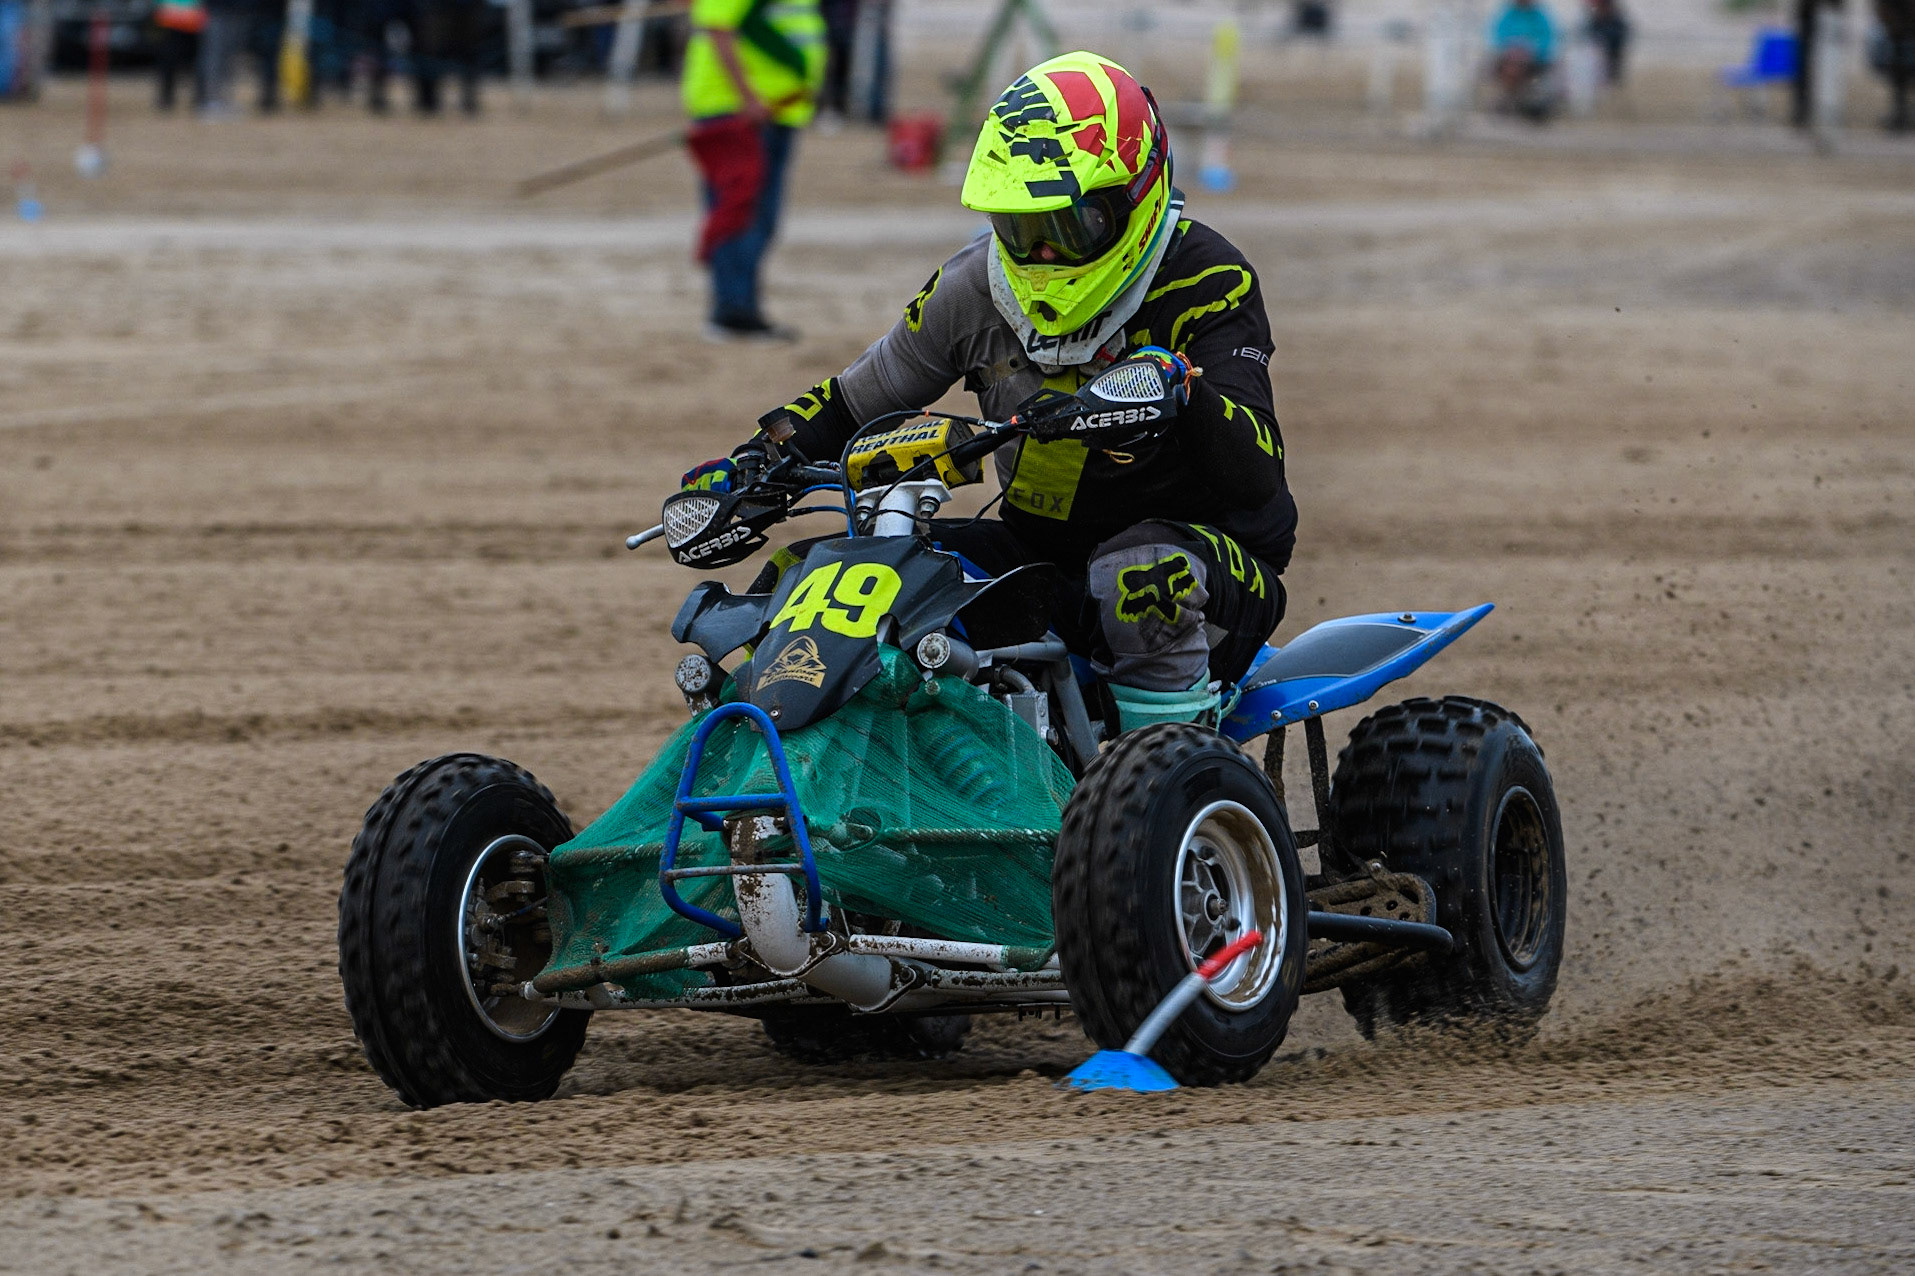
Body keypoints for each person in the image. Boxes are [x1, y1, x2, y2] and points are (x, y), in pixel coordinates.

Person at [682, 52, 1295, 733]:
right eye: (1020, 227)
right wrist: (743, 471)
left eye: (1066, 226)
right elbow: (850, 403)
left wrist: (1180, 394)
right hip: (1042, 557)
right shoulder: (973, 286)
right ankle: (797, 782)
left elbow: (1256, 475)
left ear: (1136, 191)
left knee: (1138, 572)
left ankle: (1173, 762)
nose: (1041, 255)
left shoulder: (1206, 278)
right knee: (823, 573)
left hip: (1214, 568)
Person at [682, 0, 826, 342]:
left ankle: (739, 306)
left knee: (759, 216)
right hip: (740, 114)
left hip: (774, 111)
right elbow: (720, 28)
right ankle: (733, 310)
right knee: (741, 212)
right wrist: (748, 98)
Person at [1489, 0, 1556, 114]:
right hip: (1509, 58)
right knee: (1512, 65)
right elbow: (1497, 37)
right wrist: (1512, 49)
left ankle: (1518, 100)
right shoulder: (1507, 15)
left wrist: (1529, 50)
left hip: (1533, 62)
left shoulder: (1541, 17)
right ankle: (1513, 99)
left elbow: (1548, 41)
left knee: (1516, 65)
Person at [153, 0, 210, 110]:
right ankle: (166, 97)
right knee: (169, 62)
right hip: (171, 20)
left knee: (198, 63)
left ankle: (199, 97)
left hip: (194, 21)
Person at [1584, 0, 1629, 85]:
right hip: (1598, 54)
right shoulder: (1596, 18)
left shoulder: (1616, 19)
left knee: (1614, 74)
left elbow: (1620, 35)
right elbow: (1590, 33)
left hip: (1612, 52)